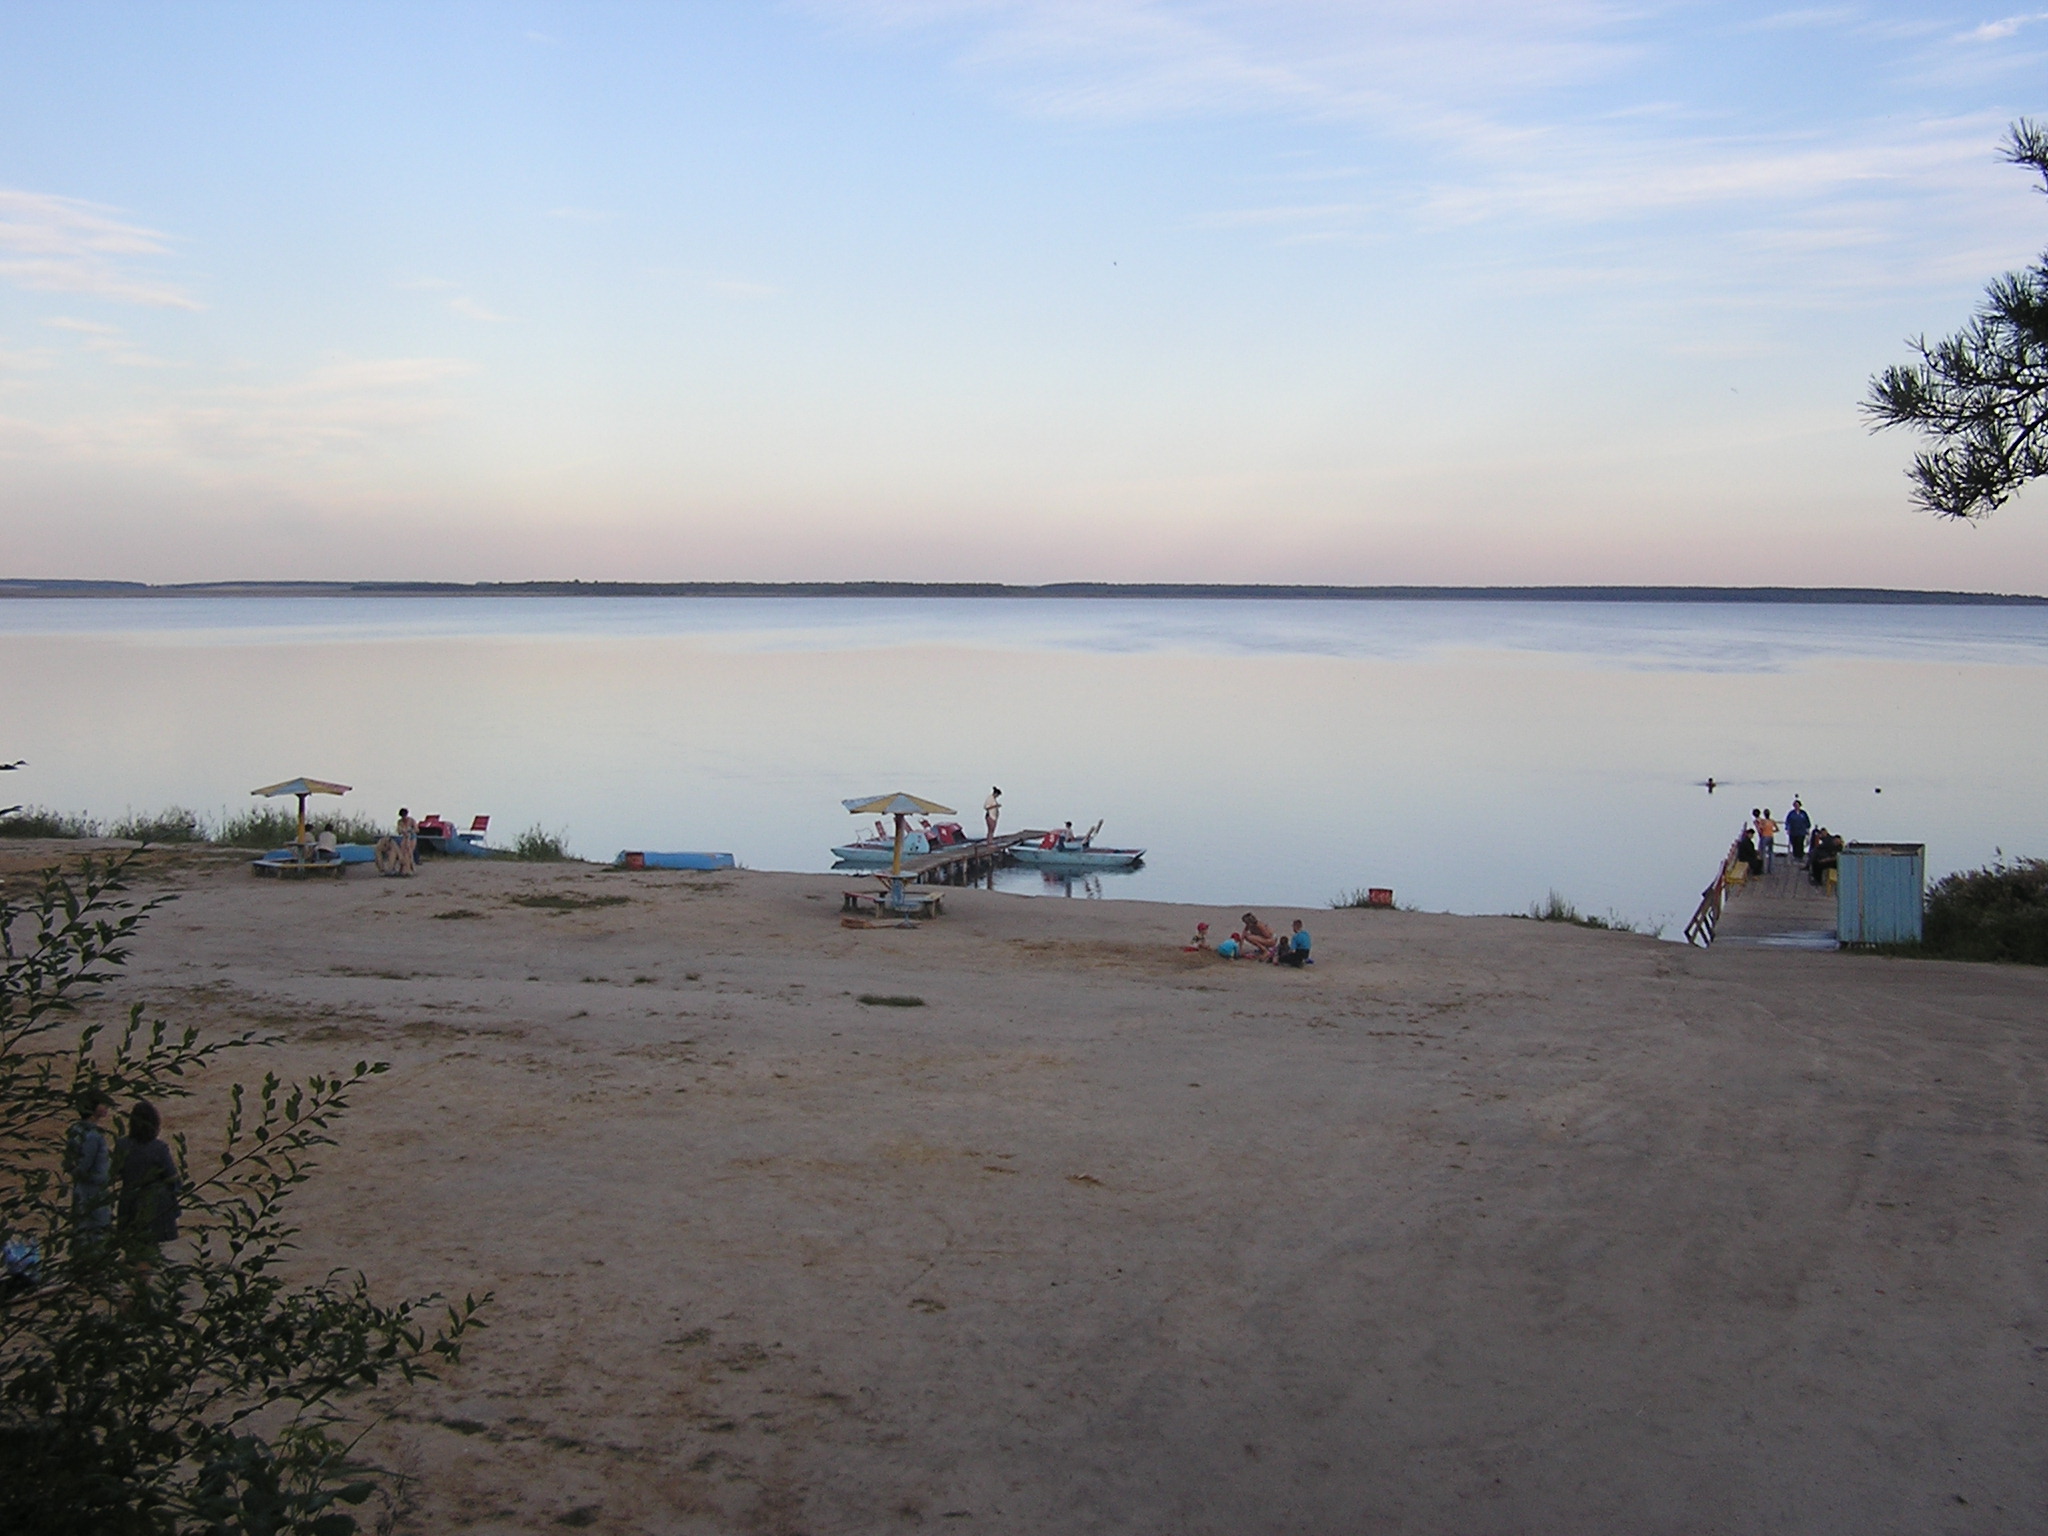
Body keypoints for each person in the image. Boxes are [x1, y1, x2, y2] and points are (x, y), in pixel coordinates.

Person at [116, 1101, 180, 1255]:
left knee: (131, 1249)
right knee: (150, 1251)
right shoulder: (159, 1148)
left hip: (128, 1203)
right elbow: (172, 1179)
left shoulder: (122, 1145)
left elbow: (115, 1173)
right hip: (153, 1206)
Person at [66, 1088, 115, 1248]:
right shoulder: (93, 1135)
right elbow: (84, 1167)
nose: (106, 1107)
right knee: (96, 1237)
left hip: (82, 1190)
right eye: (102, 1104)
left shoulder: (76, 1130)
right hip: (93, 1192)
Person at [1785, 798, 1811, 863]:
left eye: (1797, 805)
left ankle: (1800, 857)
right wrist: (1787, 829)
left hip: (1801, 832)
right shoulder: (1791, 813)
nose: (1796, 806)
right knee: (1794, 844)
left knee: (1800, 844)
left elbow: (1807, 822)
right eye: (1795, 805)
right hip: (1793, 832)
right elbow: (1787, 821)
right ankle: (1795, 856)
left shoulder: (1803, 813)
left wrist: (1807, 829)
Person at [395, 807, 418, 875]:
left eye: (404, 815)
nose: (404, 817)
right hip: (404, 837)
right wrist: (402, 831)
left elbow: (417, 829)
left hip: (412, 837)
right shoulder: (400, 822)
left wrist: (410, 830)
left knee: (409, 852)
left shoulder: (412, 820)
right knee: (402, 852)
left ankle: (410, 868)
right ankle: (402, 868)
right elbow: (399, 831)